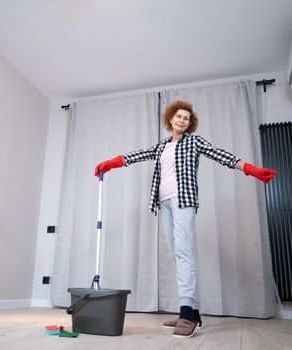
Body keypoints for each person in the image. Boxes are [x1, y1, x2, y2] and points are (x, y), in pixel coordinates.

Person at [94, 100, 277, 338]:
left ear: (190, 124)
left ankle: (186, 312)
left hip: (184, 200)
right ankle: (195, 313)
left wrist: (251, 169)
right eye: (178, 116)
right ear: (170, 119)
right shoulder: (161, 147)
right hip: (164, 203)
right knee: (177, 255)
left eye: (186, 118)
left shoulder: (194, 141)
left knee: (184, 254)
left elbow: (221, 155)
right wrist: (111, 163)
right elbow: (137, 155)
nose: (182, 120)